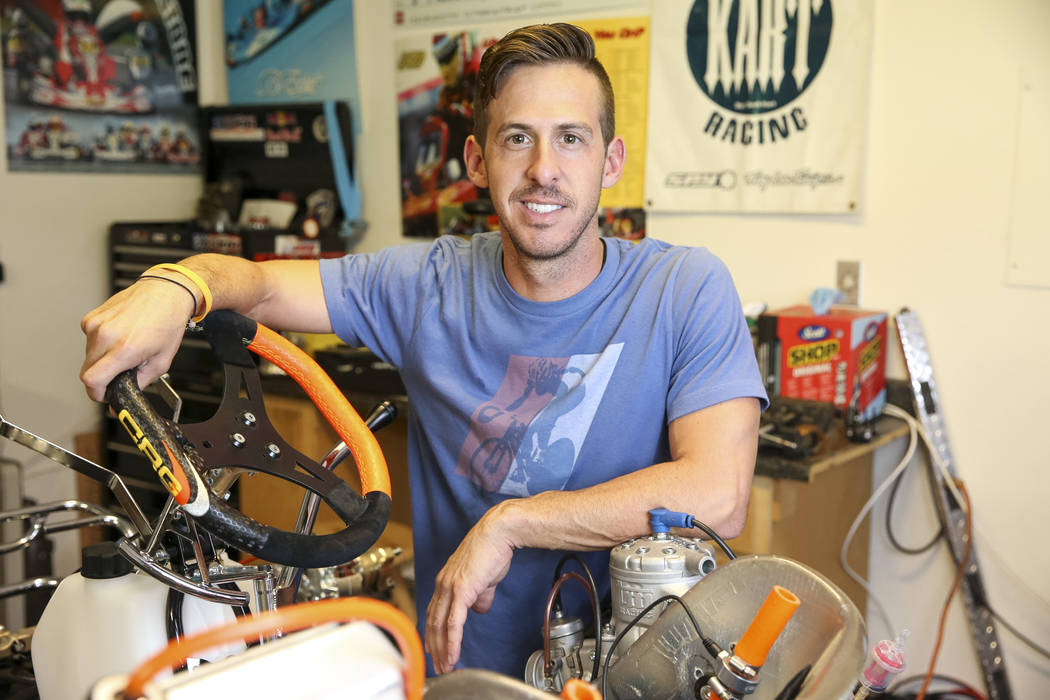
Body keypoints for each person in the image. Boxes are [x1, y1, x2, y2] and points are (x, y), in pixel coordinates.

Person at [80, 23, 766, 678]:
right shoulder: (425, 286)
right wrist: (173, 284)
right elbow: (257, 287)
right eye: (517, 138)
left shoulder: (683, 288)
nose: (544, 171)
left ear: (610, 161)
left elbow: (718, 492)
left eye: (572, 139)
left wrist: (513, 523)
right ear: (476, 160)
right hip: (468, 680)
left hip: (635, 677)